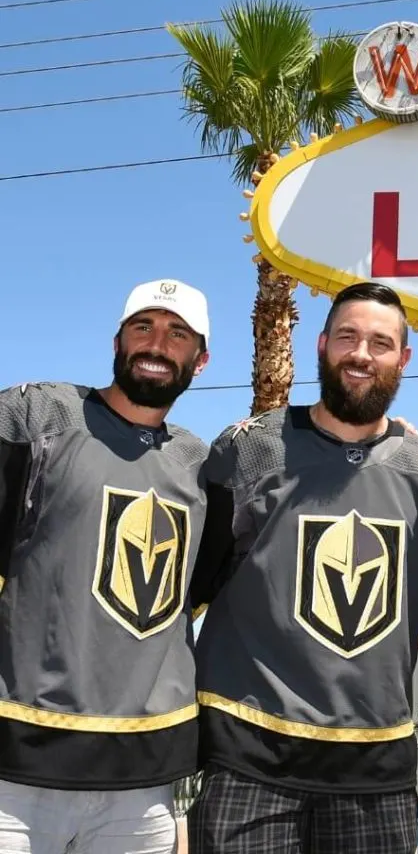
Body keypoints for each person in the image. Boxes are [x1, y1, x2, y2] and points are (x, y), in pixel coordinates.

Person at [187, 281, 418, 854]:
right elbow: (192, 586)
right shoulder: (250, 450)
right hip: (249, 759)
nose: (362, 353)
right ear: (321, 344)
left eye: (380, 343)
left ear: (404, 359)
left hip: (375, 770)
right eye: (348, 337)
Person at [0, 278, 212, 853]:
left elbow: (207, 587)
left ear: (201, 357)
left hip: (140, 780)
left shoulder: (200, 463)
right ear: (117, 340)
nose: (156, 344)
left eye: (177, 334)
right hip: (18, 769)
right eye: (142, 327)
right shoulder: (36, 416)